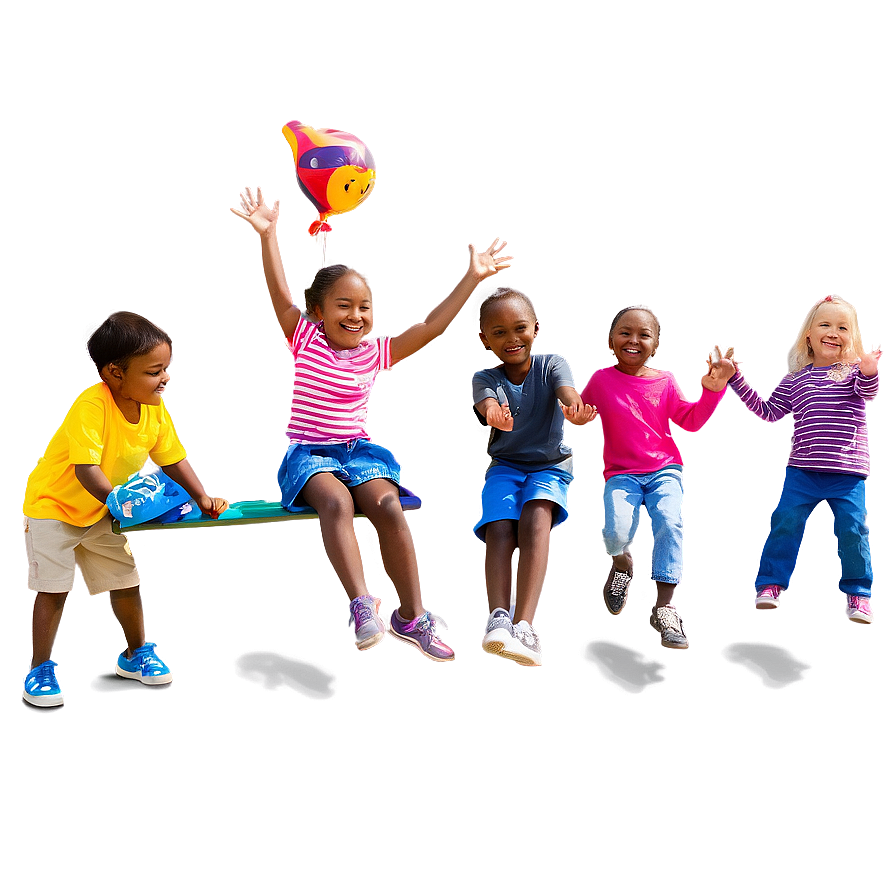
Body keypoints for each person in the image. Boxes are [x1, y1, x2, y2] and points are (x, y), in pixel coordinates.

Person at [232, 186, 511, 660]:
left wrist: (472, 277)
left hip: (359, 451)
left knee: (386, 506)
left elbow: (428, 329)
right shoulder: (305, 338)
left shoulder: (372, 352)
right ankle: (362, 604)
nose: (356, 315)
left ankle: (412, 615)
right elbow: (280, 296)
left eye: (363, 307)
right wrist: (267, 234)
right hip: (310, 453)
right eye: (344, 306)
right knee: (336, 505)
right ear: (319, 312)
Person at [22, 311, 229, 708]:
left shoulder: (153, 407)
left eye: (167, 368)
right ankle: (39, 668)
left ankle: (135, 655)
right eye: (154, 371)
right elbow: (86, 469)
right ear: (115, 373)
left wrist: (202, 495)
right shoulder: (91, 405)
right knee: (54, 590)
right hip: (54, 507)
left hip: (102, 512)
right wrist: (120, 500)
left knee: (127, 580)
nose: (164, 379)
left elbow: (172, 458)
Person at [580, 305, 734, 648]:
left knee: (670, 522)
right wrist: (576, 417)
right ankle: (622, 565)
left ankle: (665, 607)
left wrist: (712, 391)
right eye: (625, 332)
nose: (634, 340)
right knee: (613, 535)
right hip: (621, 474)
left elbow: (690, 421)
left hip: (664, 470)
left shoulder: (665, 381)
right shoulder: (601, 380)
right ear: (610, 341)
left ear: (655, 345)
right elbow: (582, 411)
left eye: (644, 335)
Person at [726, 294, 882, 622]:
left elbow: (868, 392)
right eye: (825, 324)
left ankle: (859, 594)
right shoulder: (797, 380)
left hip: (848, 473)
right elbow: (768, 412)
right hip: (802, 472)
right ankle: (769, 585)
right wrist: (736, 379)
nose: (833, 332)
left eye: (843, 327)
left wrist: (869, 372)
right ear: (808, 334)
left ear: (851, 338)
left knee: (854, 530)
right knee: (784, 523)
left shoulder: (853, 374)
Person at [474, 288, 595, 667]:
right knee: (499, 528)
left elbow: (567, 391)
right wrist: (493, 413)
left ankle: (526, 626)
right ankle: (498, 619)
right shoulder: (484, 377)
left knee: (535, 519)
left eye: (520, 328)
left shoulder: (552, 364)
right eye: (499, 332)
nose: (512, 339)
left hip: (550, 467)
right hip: (505, 467)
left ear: (536, 328)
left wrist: (573, 408)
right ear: (485, 339)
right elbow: (486, 402)